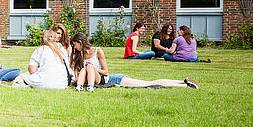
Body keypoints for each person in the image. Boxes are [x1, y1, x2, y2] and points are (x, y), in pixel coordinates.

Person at [70, 32, 200, 89]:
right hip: (102, 79)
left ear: (81, 42)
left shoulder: (97, 51)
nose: (74, 47)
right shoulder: (78, 55)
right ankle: (184, 83)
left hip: (113, 79)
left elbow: (106, 72)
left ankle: (184, 84)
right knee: (148, 83)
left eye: (75, 44)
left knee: (147, 84)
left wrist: (92, 67)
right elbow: (78, 76)